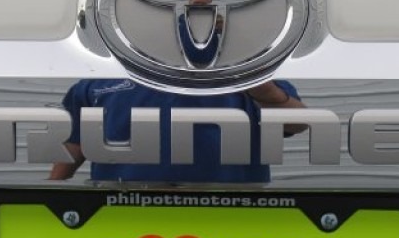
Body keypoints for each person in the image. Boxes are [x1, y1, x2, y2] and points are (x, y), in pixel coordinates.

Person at [48, 79, 305, 184]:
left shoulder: (256, 78)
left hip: (230, 216)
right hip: (119, 216)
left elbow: (299, 123)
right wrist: (50, 193)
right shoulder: (100, 80)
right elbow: (76, 142)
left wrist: (264, 89)